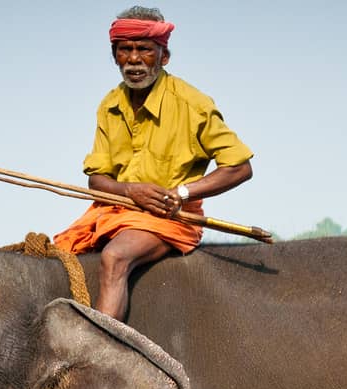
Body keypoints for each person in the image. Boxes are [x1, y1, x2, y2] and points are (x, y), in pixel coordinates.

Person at [53, 7, 253, 320]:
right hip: (115, 212)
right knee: (58, 256)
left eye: (144, 50)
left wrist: (181, 194)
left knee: (115, 258)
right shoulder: (110, 104)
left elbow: (240, 167)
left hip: (170, 217)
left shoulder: (193, 104)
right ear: (115, 55)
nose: (134, 59)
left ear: (164, 56)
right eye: (125, 50)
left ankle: (100, 354)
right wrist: (131, 190)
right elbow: (97, 181)